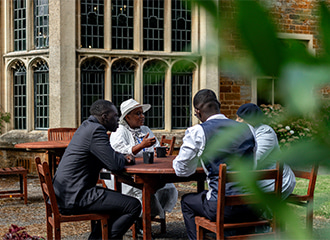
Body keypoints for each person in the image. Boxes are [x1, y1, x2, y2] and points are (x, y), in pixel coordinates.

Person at [173, 89, 258, 240]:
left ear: (198, 112)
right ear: (218, 105)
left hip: (223, 208)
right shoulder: (248, 129)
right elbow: (254, 164)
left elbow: (182, 170)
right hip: (252, 205)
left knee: (187, 201)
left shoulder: (198, 131)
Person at [52, 99, 141, 240]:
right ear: (105, 117)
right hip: (75, 196)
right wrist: (125, 158)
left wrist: (119, 157)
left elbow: (108, 157)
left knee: (118, 203)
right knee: (133, 205)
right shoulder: (96, 131)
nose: (118, 119)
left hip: (65, 193)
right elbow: (114, 164)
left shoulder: (86, 127)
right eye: (115, 116)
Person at [104, 99, 178, 221]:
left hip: (148, 171)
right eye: (138, 114)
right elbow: (118, 153)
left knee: (168, 187)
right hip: (125, 174)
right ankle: (140, 222)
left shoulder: (145, 129)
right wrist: (141, 146)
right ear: (127, 117)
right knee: (143, 192)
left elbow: (155, 146)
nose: (142, 116)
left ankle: (151, 216)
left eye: (142, 113)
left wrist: (158, 150)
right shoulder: (119, 130)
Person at [236, 103, 296, 198]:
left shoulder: (265, 133)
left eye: (239, 119)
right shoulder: (244, 133)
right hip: (258, 177)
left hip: (276, 181)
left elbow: (255, 159)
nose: (236, 121)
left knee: (236, 192)